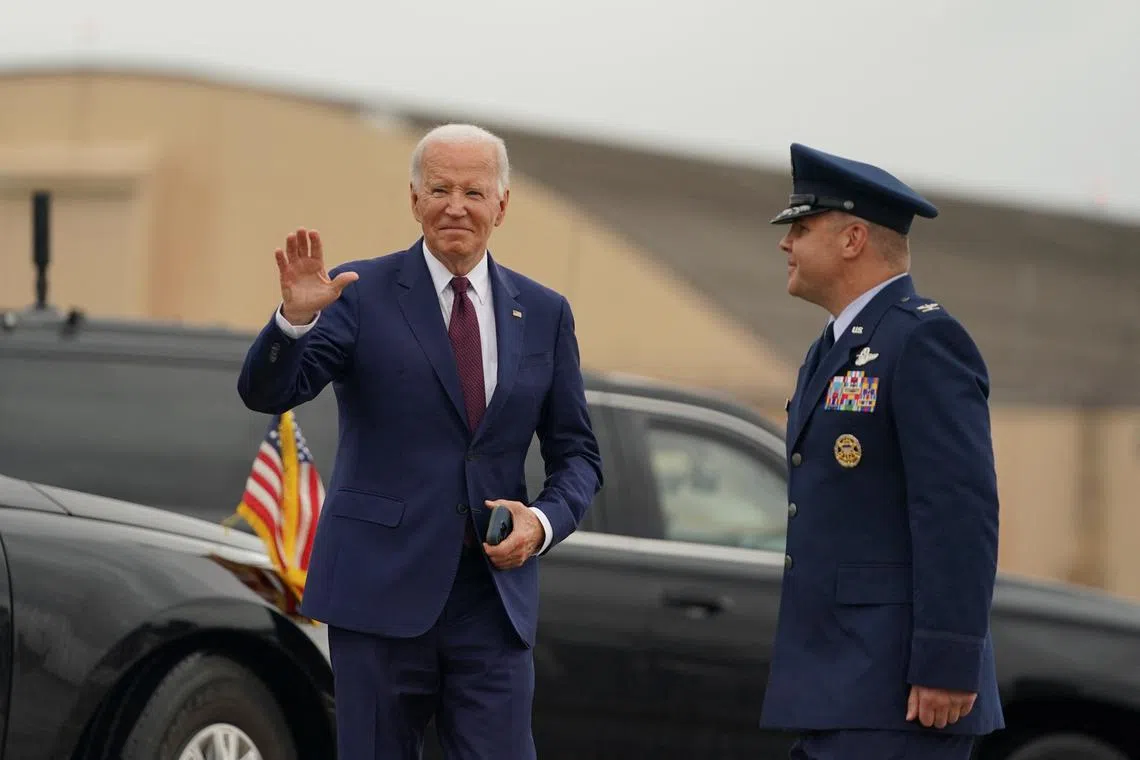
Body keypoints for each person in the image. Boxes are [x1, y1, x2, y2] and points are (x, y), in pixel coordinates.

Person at [237, 123, 603, 759]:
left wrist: (540, 524)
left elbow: (579, 457)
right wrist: (294, 321)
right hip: (378, 594)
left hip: (492, 600)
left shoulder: (545, 312)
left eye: (473, 191)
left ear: (502, 205)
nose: (454, 205)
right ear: (414, 199)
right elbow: (270, 393)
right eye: (438, 188)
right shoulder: (357, 293)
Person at [757, 142, 1005, 760]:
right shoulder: (833, 347)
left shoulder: (923, 340)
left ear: (853, 239)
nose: (786, 243)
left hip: (900, 689)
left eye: (802, 227)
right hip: (839, 682)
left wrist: (948, 661)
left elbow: (959, 509)